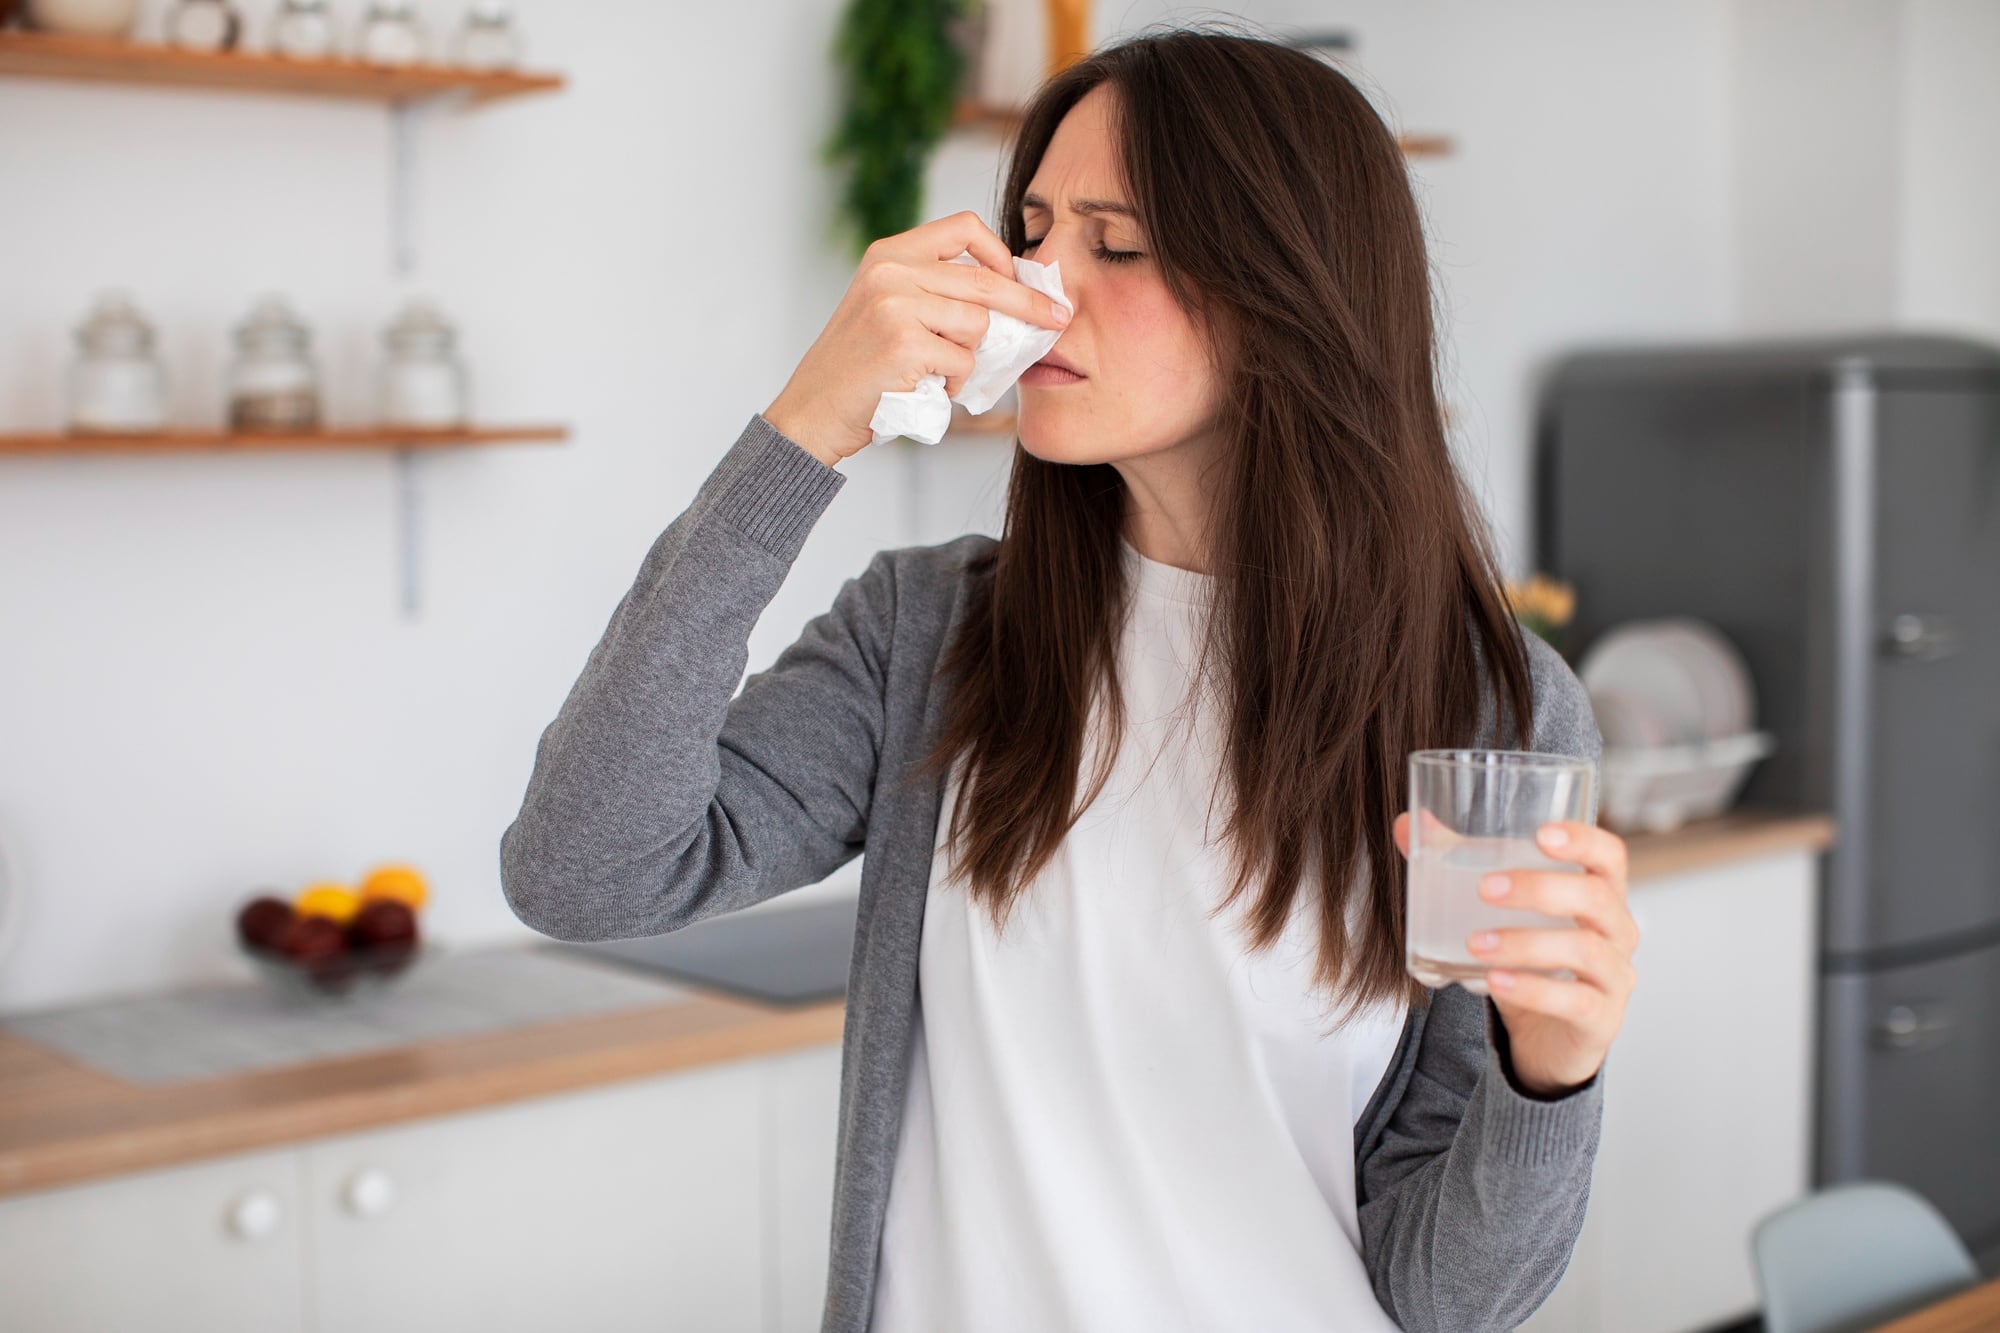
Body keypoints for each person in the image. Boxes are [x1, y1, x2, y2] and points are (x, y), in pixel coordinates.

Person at [501, 22, 1639, 1333]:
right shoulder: (931, 635)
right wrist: (804, 428)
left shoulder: (1485, 703)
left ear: (1290, 293)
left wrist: (1548, 1074)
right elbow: (582, 867)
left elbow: (1449, 1300)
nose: (1038, 283)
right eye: (1031, 229)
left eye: (1118, 243)